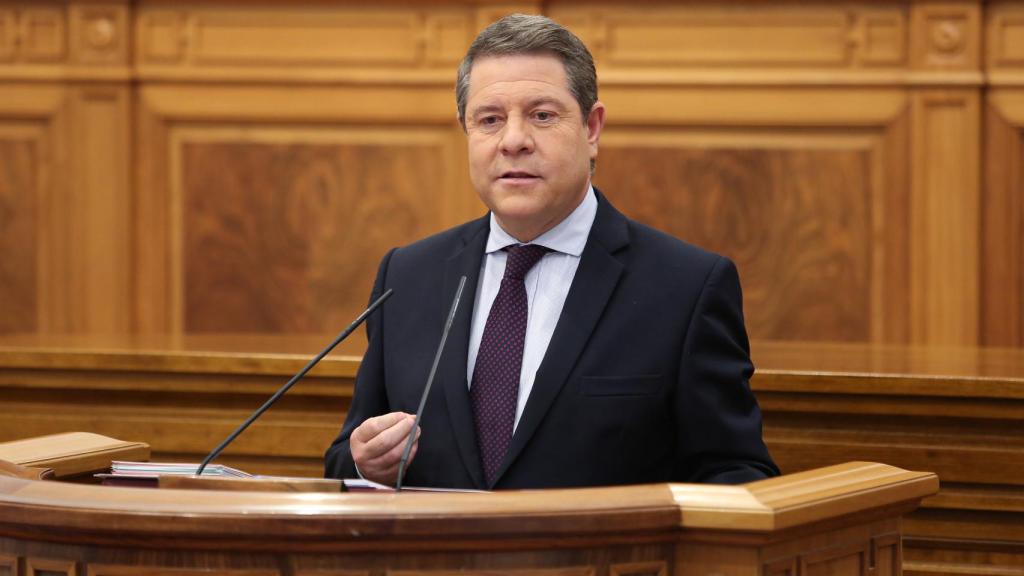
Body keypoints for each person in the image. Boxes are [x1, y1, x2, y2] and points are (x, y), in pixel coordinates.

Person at [324, 13, 778, 489]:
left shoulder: (686, 288)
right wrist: (362, 464)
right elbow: (344, 459)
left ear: (591, 128)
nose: (514, 141)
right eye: (490, 120)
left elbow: (736, 473)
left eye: (542, 115)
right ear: (466, 131)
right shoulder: (408, 275)